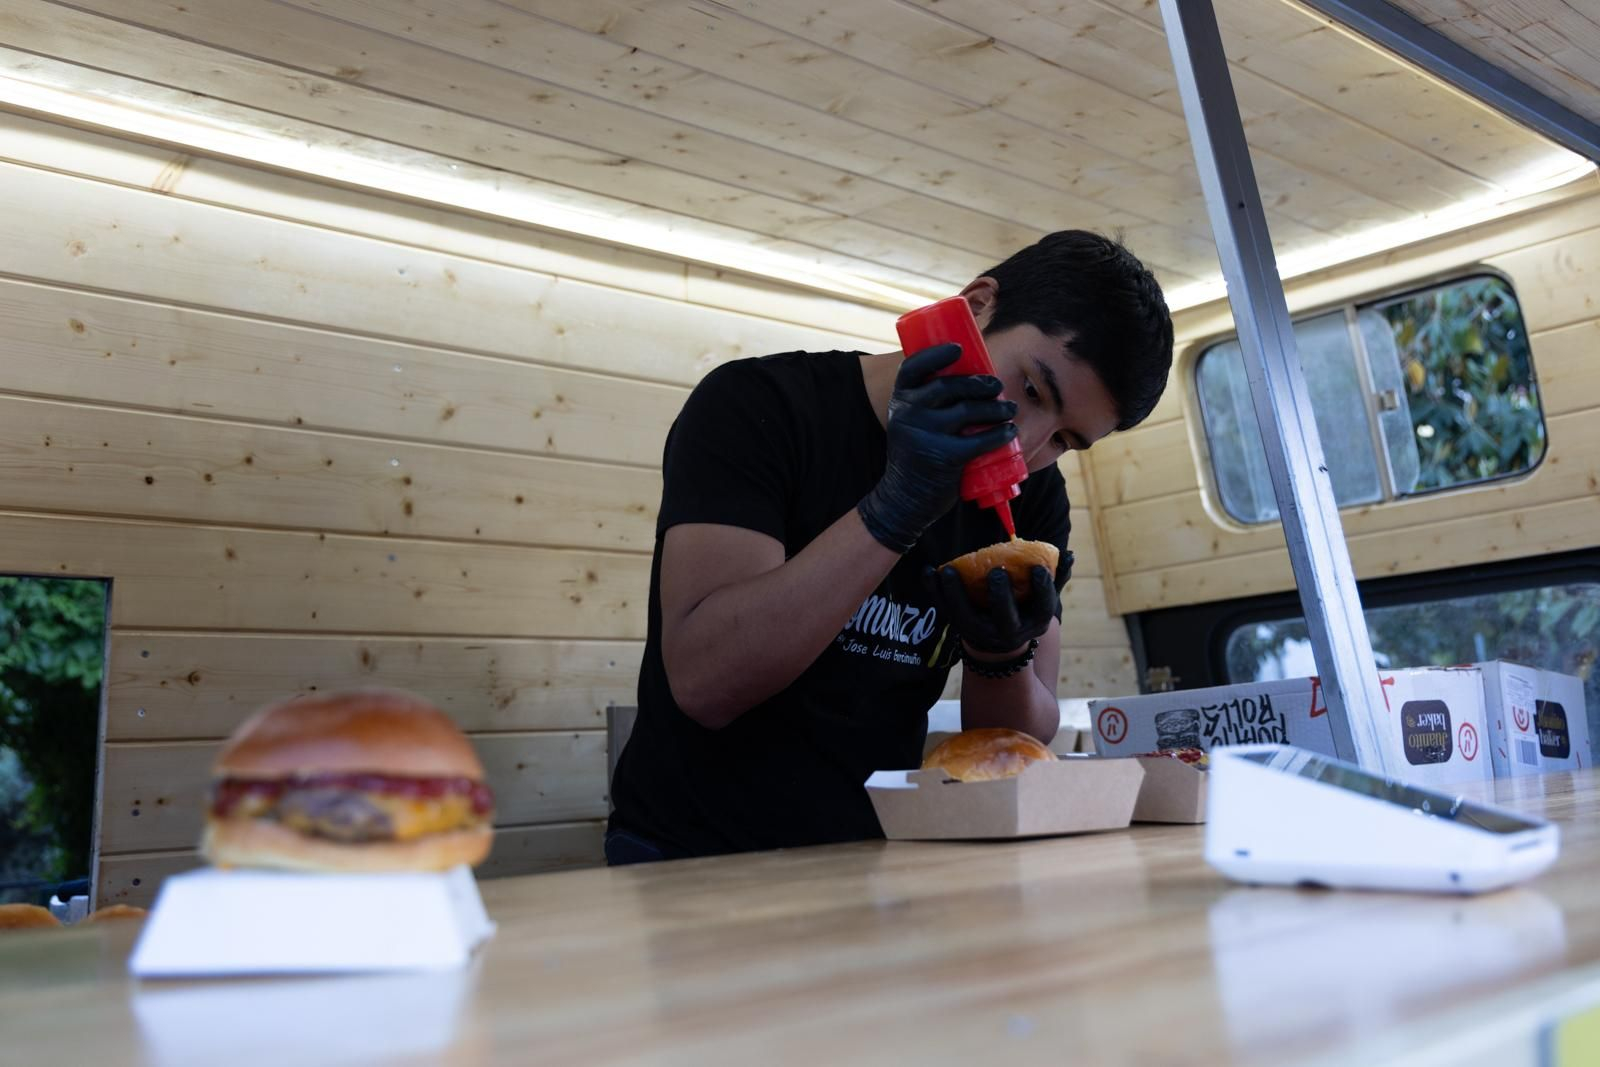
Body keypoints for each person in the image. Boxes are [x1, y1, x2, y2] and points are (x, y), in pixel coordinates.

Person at [606, 230, 1173, 864]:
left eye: (1066, 439)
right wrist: (894, 509)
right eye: (1033, 391)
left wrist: (1000, 653)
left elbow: (1015, 743)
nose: (1029, 448)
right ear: (977, 305)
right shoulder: (760, 407)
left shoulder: (1034, 498)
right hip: (688, 852)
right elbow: (706, 685)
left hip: (878, 850)